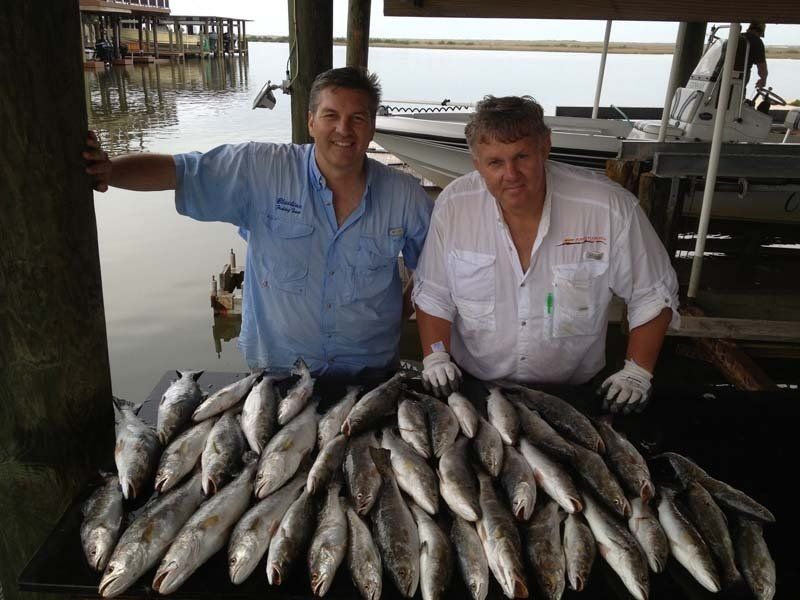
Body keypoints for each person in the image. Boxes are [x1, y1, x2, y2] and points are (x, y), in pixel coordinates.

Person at [84, 67, 432, 377]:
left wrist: (400, 306)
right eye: (331, 115)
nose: (344, 129)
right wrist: (110, 170)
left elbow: (434, 273)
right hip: (279, 373)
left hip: (370, 372)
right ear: (311, 121)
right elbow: (181, 171)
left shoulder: (405, 195)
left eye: (358, 118)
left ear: (372, 125)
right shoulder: (260, 169)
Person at [412, 96, 680, 413]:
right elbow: (434, 293)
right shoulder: (454, 205)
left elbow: (652, 293)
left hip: (573, 394)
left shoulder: (608, 206)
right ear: (477, 165)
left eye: (522, 156)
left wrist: (636, 372)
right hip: (474, 388)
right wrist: (437, 356)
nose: (511, 174)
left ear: (545, 147)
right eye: (495, 162)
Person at [742, 22, 768, 89]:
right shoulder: (756, 41)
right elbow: (762, 68)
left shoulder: (736, 36)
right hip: (738, 77)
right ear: (759, 32)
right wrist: (763, 79)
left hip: (719, 74)